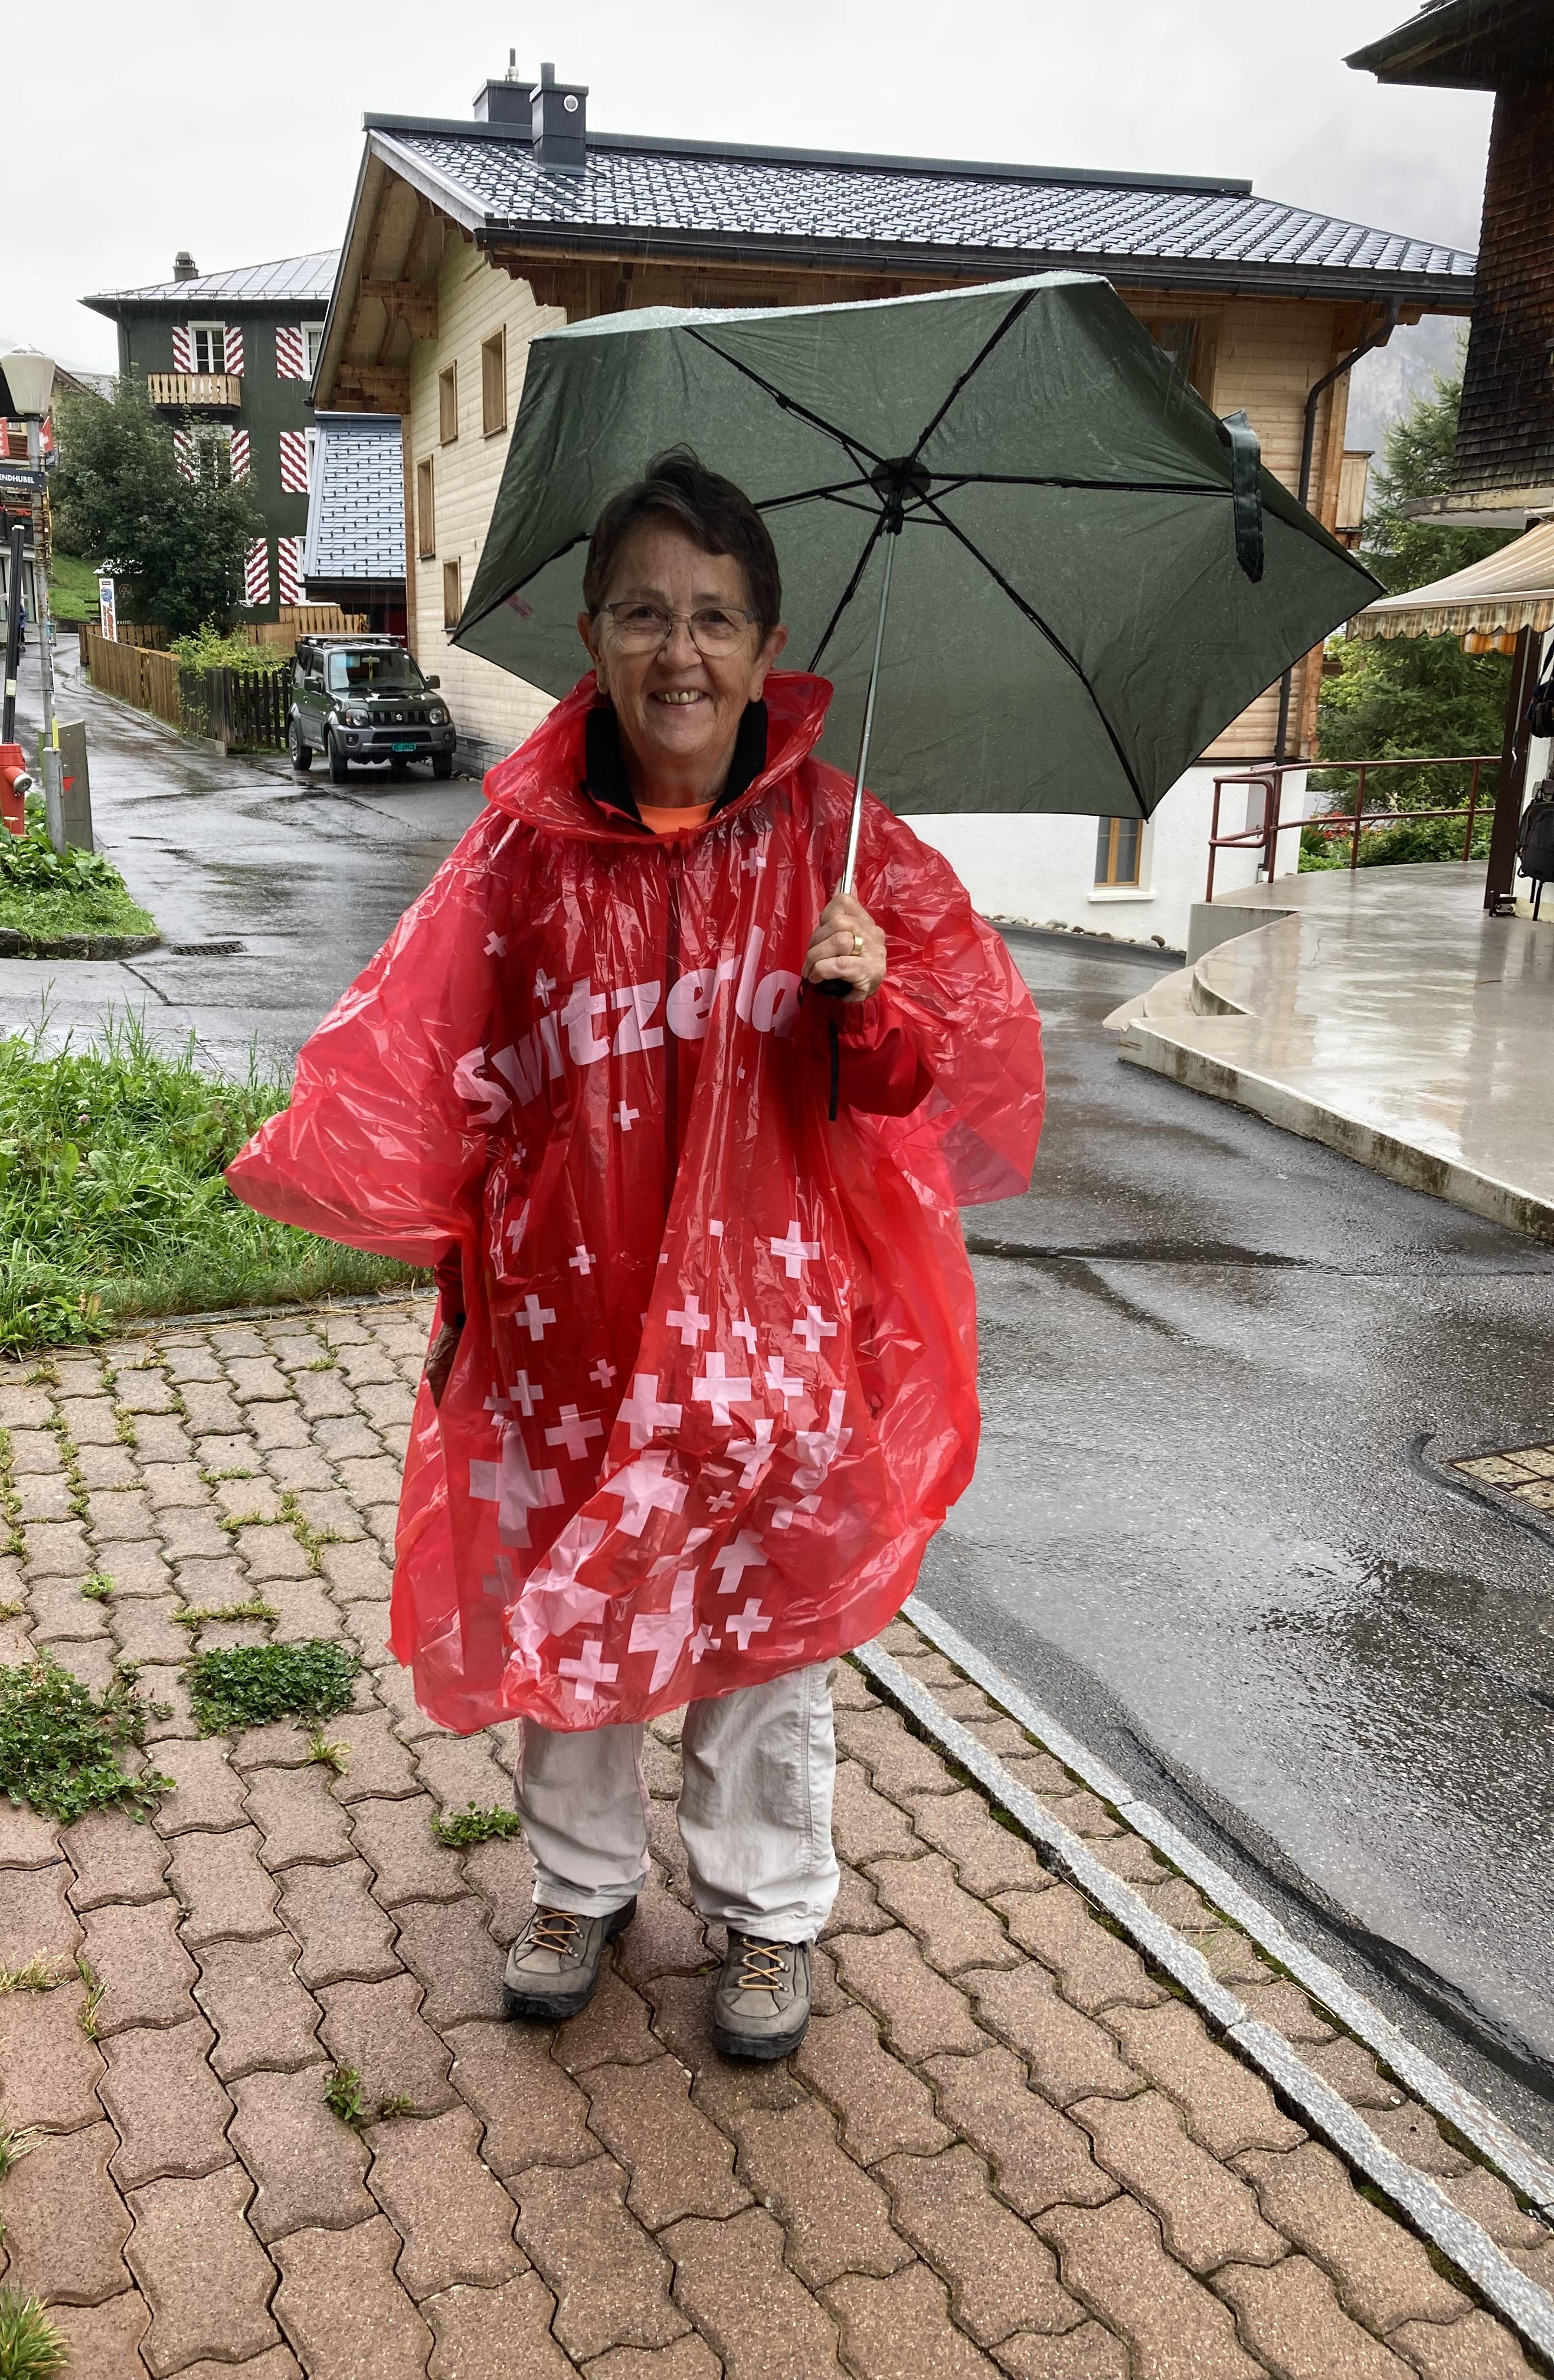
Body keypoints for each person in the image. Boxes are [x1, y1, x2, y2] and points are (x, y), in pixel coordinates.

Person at [227, 450, 1043, 2059]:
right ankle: (580, 1887)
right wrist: (460, 1272)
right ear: (594, 637)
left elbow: (928, 1085)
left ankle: (765, 1917)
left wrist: (866, 995)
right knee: (568, 1616)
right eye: (648, 613)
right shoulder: (522, 852)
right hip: (566, 1315)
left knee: (767, 1630)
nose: (684, 652)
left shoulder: (835, 840)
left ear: (765, 644)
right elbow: (440, 1066)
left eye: (718, 618)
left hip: (775, 1323)